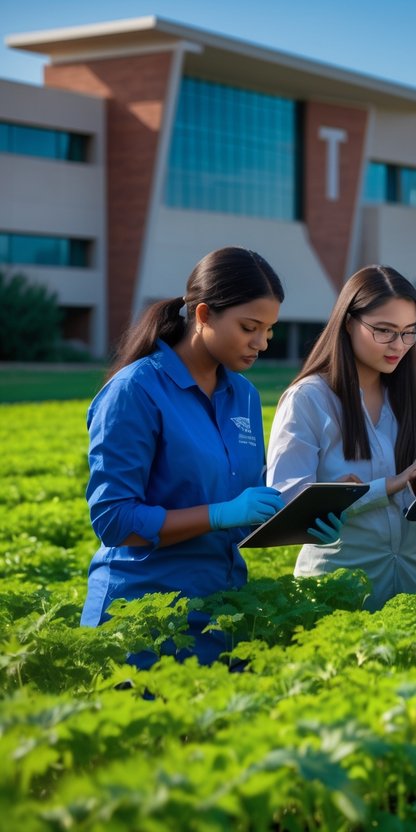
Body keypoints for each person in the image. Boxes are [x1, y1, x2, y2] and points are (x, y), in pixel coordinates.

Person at [83, 246, 286, 665]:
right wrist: (220, 514)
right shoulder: (135, 390)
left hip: (222, 612)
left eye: (269, 330)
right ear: (204, 314)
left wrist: (298, 520)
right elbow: (114, 520)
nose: (261, 343)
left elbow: (241, 504)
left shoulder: (244, 395)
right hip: (142, 617)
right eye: (249, 327)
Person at [267, 266, 416, 610]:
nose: (398, 345)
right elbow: (286, 503)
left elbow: (408, 498)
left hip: (410, 582)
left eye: (408, 333)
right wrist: (387, 486)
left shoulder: (404, 397)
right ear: (349, 322)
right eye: (384, 331)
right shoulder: (309, 399)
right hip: (336, 591)